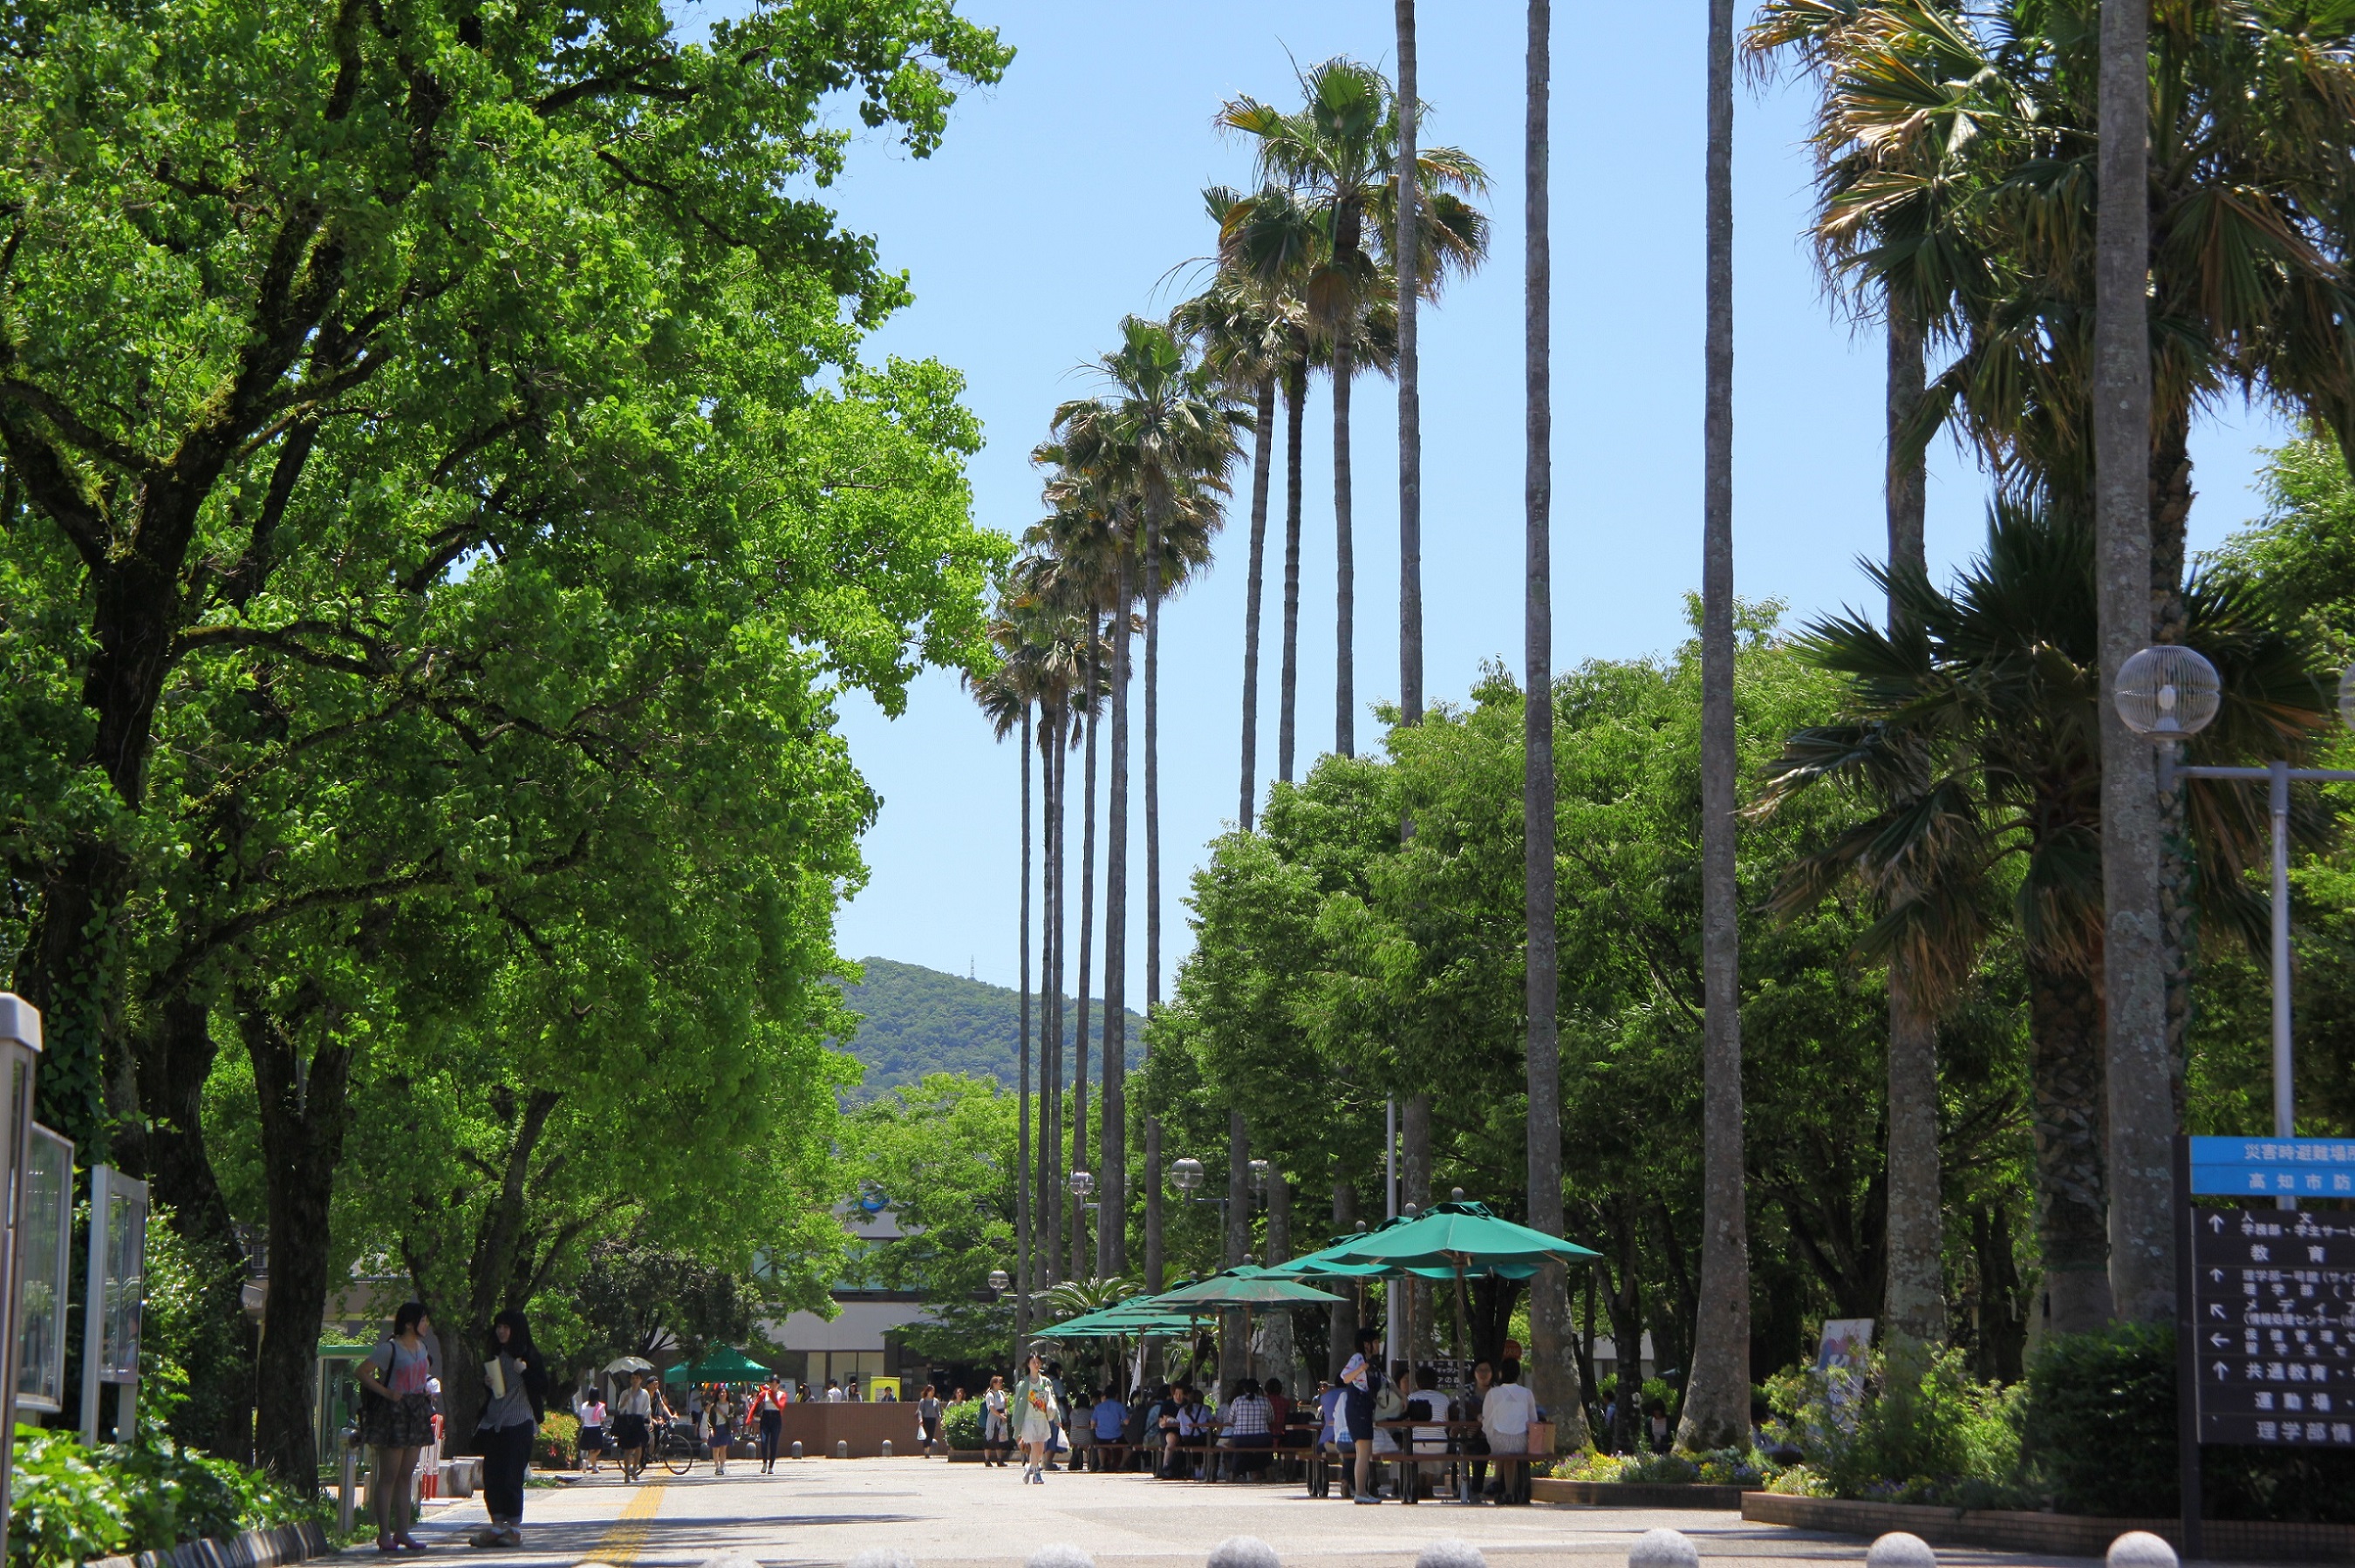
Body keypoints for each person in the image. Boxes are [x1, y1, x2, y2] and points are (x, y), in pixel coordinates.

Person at [356, 1301, 440, 1553]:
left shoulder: (423, 1348)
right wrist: (388, 1393)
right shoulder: (389, 1348)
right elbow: (362, 1372)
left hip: (416, 1410)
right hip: (394, 1412)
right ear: (409, 1324)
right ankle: (384, 1534)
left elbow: (420, 1375)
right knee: (389, 1475)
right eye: (422, 1320)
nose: (426, 1324)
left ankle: (403, 1531)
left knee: (406, 1475)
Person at [473, 1310, 547, 1550]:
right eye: (499, 1327)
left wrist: (524, 1370)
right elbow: (496, 1391)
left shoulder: (529, 1356)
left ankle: (514, 1528)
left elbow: (544, 1386)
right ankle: (497, 1526)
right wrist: (488, 1384)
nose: (501, 1331)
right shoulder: (496, 1355)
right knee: (492, 1476)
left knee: (511, 1476)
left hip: (520, 1422)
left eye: (506, 1327)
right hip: (495, 1422)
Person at [1480, 1358, 1539, 1503]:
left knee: (1502, 1446)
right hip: (1520, 1441)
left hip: (1498, 1441)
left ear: (1500, 1373)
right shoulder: (1526, 1393)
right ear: (1518, 1374)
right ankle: (1509, 1492)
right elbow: (1533, 1419)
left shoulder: (1493, 1393)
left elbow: (1487, 1419)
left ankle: (1496, 1481)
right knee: (1511, 1454)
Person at [1340, 1326, 1385, 1503]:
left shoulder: (1372, 1363)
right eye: (1375, 1342)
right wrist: (1361, 1369)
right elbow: (1345, 1377)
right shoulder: (1358, 1358)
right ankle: (1360, 1492)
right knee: (1363, 1453)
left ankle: (1362, 1491)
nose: (1377, 1345)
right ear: (1366, 1344)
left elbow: (1384, 1381)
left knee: (1363, 1453)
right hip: (1358, 1408)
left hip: (1363, 1409)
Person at [1013, 1350, 1060, 1483]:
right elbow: (1018, 1404)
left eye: (1038, 1362)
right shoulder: (1023, 1384)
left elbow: (1053, 1400)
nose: (1036, 1364)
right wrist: (1016, 1422)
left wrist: (1057, 1419)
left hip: (1042, 1419)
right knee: (1034, 1446)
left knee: (1040, 1449)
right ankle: (1037, 1474)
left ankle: (1030, 1467)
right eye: (1034, 1362)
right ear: (1028, 1364)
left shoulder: (1046, 1382)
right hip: (1029, 1420)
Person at [1218, 1378, 1274, 1480]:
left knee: (1239, 1450)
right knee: (1266, 1448)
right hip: (1262, 1438)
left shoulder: (1237, 1401)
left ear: (1245, 1389)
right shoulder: (1265, 1401)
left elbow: (1231, 1419)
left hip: (1241, 1438)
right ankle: (1266, 1470)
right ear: (1258, 1389)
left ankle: (1234, 1472)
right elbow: (1270, 1419)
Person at [612, 1370, 653, 1483]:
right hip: (627, 1420)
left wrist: (649, 1421)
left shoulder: (644, 1394)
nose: (635, 1380)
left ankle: (634, 1470)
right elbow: (620, 1408)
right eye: (633, 1378)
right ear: (631, 1380)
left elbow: (647, 1408)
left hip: (639, 1420)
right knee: (627, 1449)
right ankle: (627, 1474)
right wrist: (625, 1402)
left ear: (641, 1380)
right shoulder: (625, 1393)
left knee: (639, 1447)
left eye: (637, 1378)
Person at [1311, 1378, 1343, 1498]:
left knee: (1319, 1450)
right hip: (1354, 1441)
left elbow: (1321, 1416)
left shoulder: (1325, 1398)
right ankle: (1349, 1481)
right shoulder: (1355, 1395)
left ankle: (1319, 1483)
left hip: (1331, 1440)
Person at [1090, 1385, 1127, 1472]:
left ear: (1105, 1396)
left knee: (1101, 1446)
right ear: (1117, 1396)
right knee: (1129, 1447)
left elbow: (1092, 1423)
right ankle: (1121, 1465)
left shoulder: (1098, 1407)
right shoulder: (1120, 1406)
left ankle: (1102, 1466)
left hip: (1101, 1437)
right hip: (1116, 1436)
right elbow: (1127, 1422)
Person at [754, 1379, 787, 1473]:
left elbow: (781, 1406)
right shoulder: (764, 1394)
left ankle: (771, 1466)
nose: (773, 1385)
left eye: (775, 1384)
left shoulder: (782, 1395)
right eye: (771, 1384)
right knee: (764, 1442)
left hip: (776, 1419)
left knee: (774, 1443)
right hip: (766, 1418)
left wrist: (773, 1396)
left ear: (778, 1385)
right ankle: (764, 1463)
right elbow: (757, 1405)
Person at [576, 1385, 610, 1476]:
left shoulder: (584, 1405)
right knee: (598, 1449)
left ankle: (594, 1467)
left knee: (591, 1449)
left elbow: (582, 1417)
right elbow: (602, 1418)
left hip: (586, 1429)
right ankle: (587, 1461)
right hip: (596, 1428)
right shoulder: (599, 1406)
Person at [982, 1374, 1012, 1467]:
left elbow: (1005, 1405)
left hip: (1001, 1416)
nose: (1001, 1384)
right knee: (990, 1437)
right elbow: (991, 1408)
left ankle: (1000, 1459)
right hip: (993, 1417)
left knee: (1000, 1438)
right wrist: (1000, 1416)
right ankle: (987, 1459)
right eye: (999, 1382)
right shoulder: (990, 1395)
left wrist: (1005, 1413)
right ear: (994, 1384)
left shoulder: (1002, 1393)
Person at [706, 1387, 737, 1475]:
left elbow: (732, 1418)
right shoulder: (714, 1406)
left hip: (725, 1428)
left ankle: (722, 1467)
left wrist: (722, 1414)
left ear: (727, 1394)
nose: (722, 1395)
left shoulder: (730, 1405)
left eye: (724, 1393)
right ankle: (717, 1467)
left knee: (723, 1448)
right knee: (715, 1449)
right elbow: (709, 1419)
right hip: (716, 1428)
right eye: (720, 1393)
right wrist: (711, 1429)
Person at [918, 1385, 944, 1456]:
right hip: (925, 1419)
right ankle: (926, 1450)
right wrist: (920, 1419)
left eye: (933, 1391)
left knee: (931, 1435)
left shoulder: (936, 1401)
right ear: (928, 1391)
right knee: (925, 1435)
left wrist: (940, 1420)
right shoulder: (923, 1401)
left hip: (932, 1420)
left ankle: (927, 1450)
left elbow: (938, 1412)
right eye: (931, 1391)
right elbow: (920, 1411)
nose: (933, 1392)